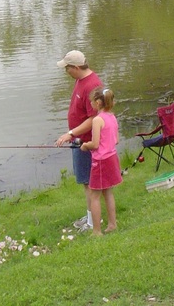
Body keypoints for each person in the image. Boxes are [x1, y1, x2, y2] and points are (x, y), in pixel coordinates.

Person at [55, 50, 102, 232]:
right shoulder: (80, 81)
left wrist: (71, 133)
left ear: (75, 67)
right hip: (78, 140)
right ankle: (90, 215)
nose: (66, 71)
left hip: (87, 142)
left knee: (90, 182)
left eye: (67, 68)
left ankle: (92, 223)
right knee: (85, 181)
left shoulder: (93, 86)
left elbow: (93, 119)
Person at [80, 88, 122, 236]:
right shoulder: (112, 116)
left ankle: (96, 231)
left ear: (98, 103)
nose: (91, 104)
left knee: (94, 196)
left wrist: (85, 145)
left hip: (101, 161)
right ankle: (112, 224)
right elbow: (116, 140)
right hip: (112, 158)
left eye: (92, 101)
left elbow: (95, 144)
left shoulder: (98, 120)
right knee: (108, 192)